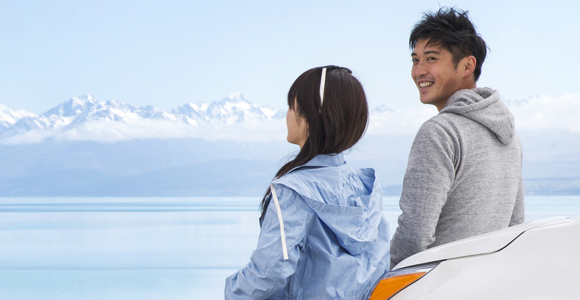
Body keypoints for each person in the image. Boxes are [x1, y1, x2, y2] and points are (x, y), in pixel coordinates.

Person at [224, 66, 390, 300]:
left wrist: (231, 292)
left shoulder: (292, 191)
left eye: (292, 105)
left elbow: (268, 274)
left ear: (311, 116)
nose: (288, 114)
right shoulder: (366, 188)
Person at [390, 7, 525, 268]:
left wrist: (388, 282)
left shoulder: (440, 132)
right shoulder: (509, 135)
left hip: (437, 286)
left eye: (431, 59)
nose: (419, 71)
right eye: (415, 60)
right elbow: (515, 226)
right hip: (487, 284)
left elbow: (414, 236)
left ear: (467, 65)